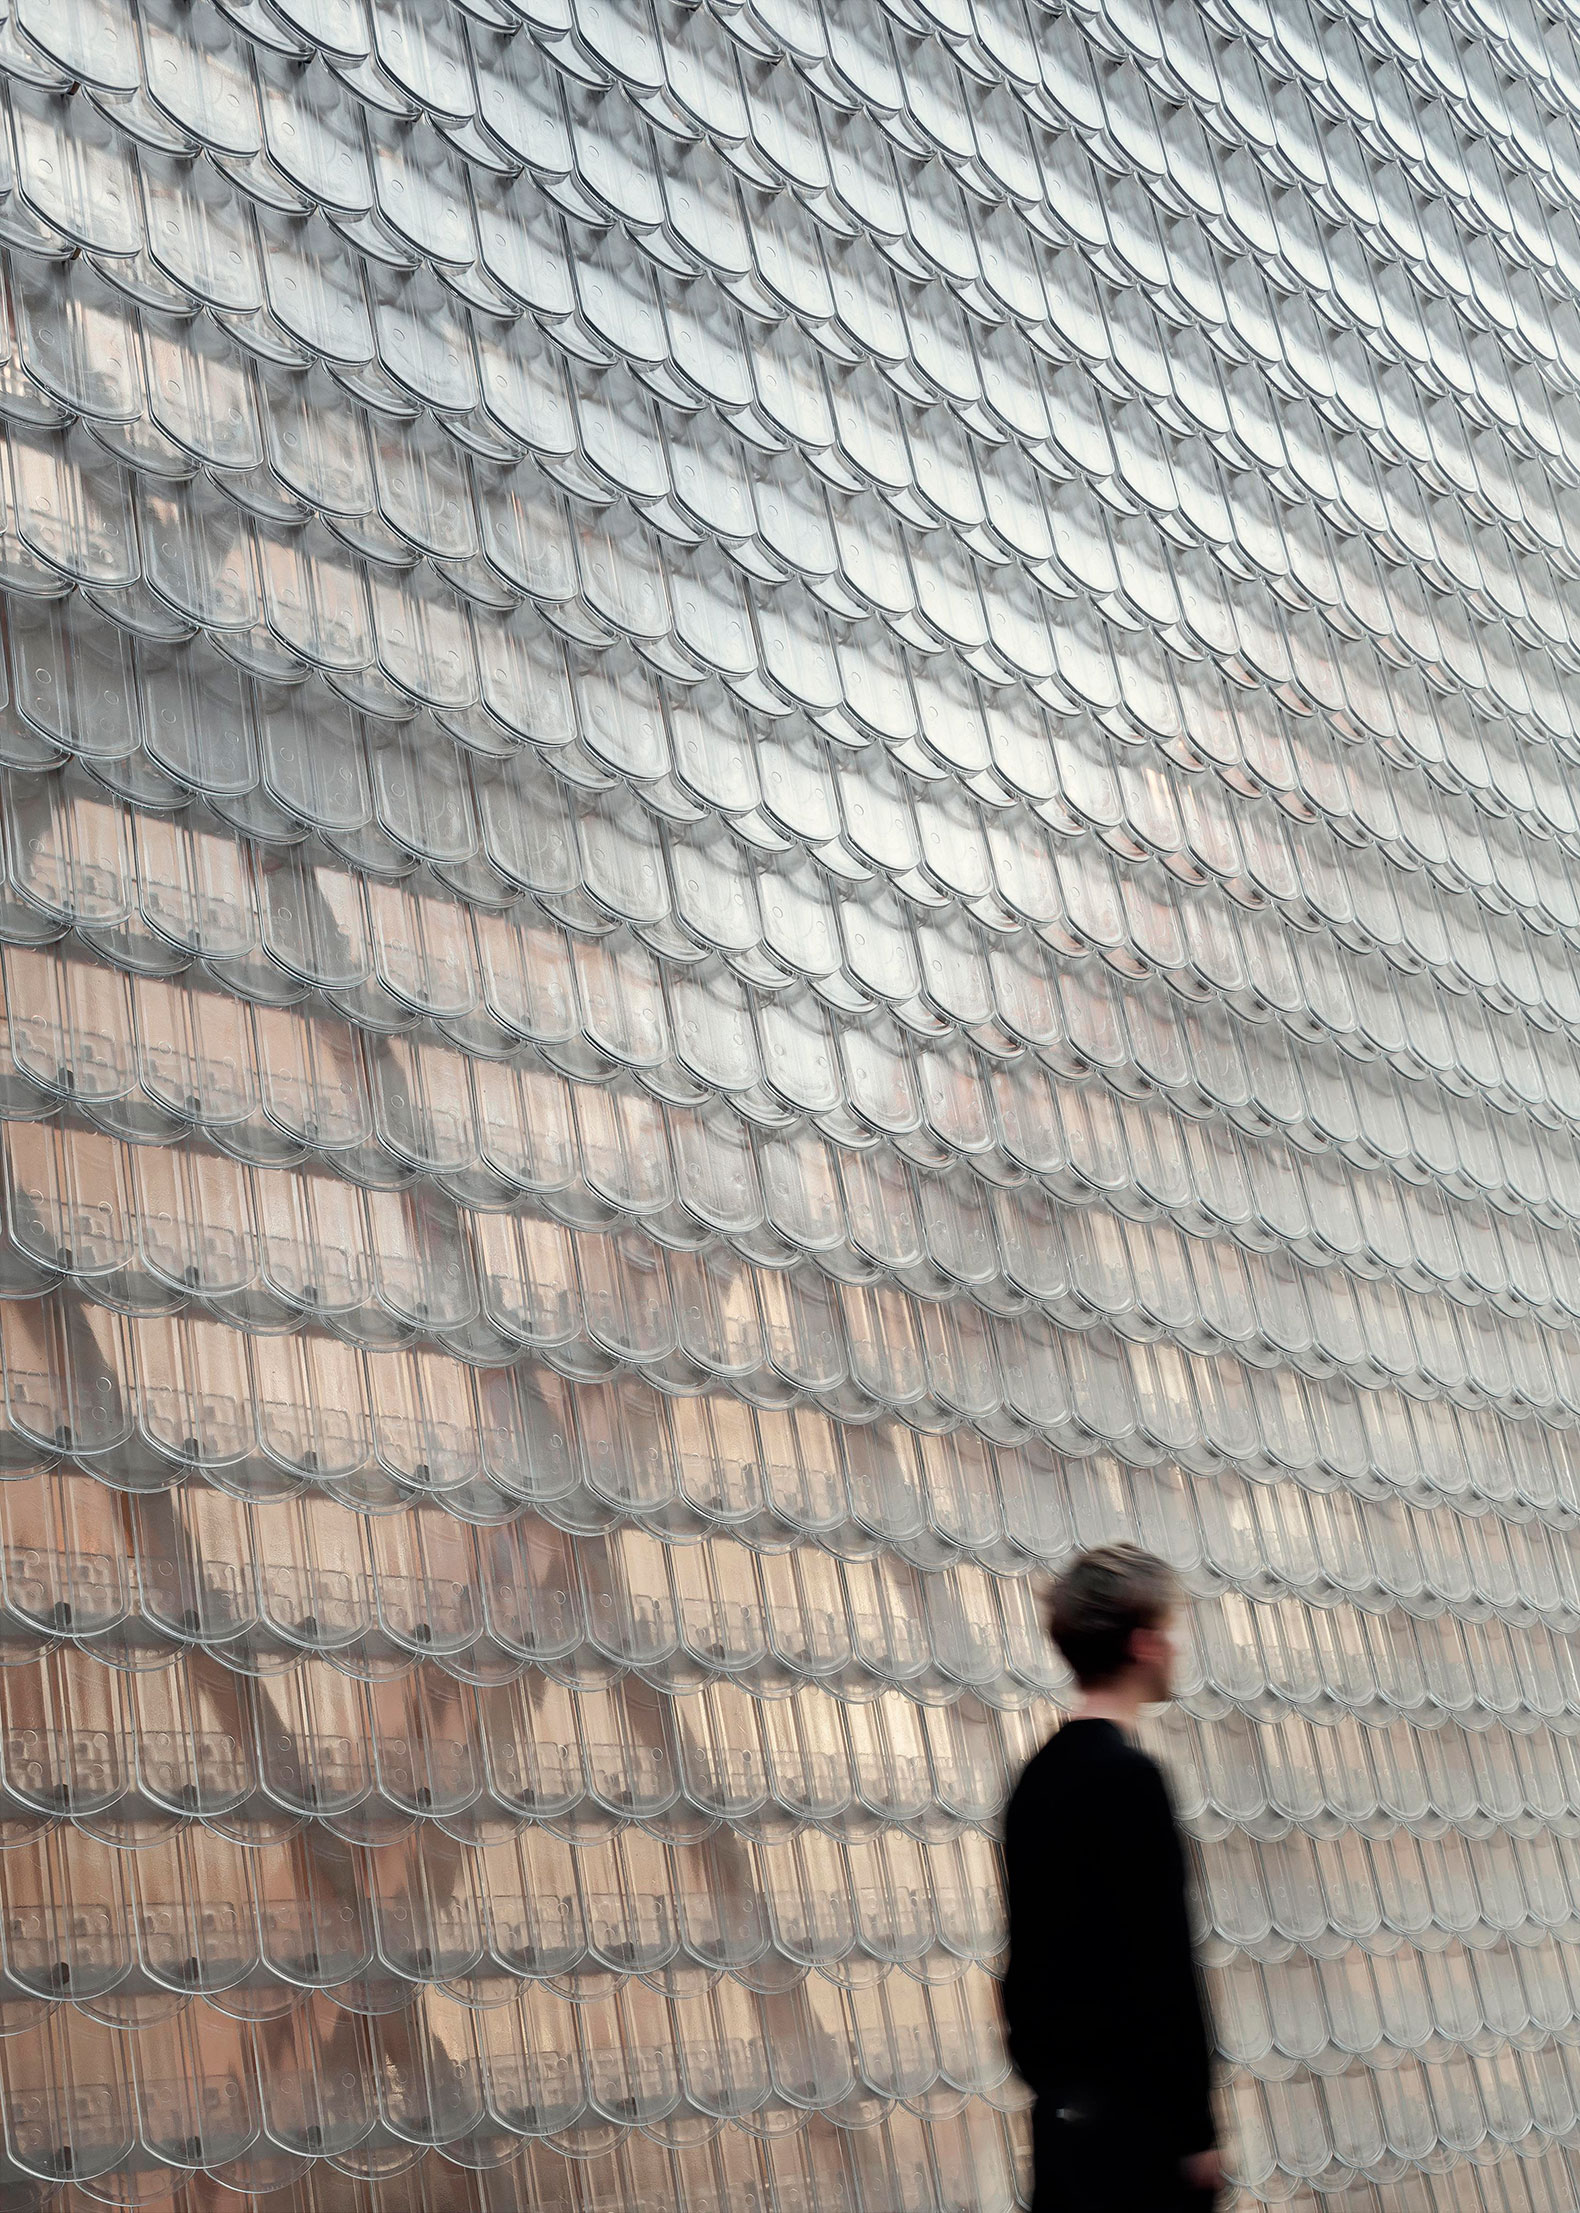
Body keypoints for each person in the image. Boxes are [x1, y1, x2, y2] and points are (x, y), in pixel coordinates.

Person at [1001, 1545, 1221, 2213]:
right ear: (1143, 1644)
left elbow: (1025, 1965)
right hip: (1141, 2136)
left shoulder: (1036, 1777)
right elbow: (1162, 1966)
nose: (1175, 1648)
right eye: (1169, 1631)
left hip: (1065, 2128)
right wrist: (1197, 2130)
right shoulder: (1131, 1779)